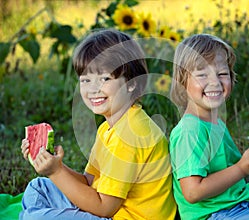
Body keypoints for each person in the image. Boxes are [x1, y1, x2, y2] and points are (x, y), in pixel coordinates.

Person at [20, 29, 177, 220]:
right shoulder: (108, 127)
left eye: (105, 78)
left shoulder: (130, 135)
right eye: (85, 80)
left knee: (36, 217)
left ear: (131, 83)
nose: (93, 89)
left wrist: (56, 172)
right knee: (38, 188)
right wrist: (56, 165)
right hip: (108, 209)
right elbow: (89, 182)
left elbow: (104, 208)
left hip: (125, 217)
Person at [169, 33, 249, 220]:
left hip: (240, 204)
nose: (214, 81)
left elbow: (230, 177)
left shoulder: (216, 123)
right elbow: (193, 192)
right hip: (214, 215)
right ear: (183, 81)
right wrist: (241, 169)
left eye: (222, 73)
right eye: (202, 74)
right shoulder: (190, 131)